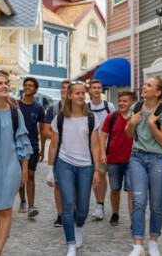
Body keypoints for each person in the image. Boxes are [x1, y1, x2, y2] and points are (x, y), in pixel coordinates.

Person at [0, 72, 32, 256]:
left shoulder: (15, 113)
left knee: (5, 209)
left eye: (6, 83)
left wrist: (24, 170)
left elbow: (23, 143)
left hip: (11, 166)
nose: (4, 86)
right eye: (0, 83)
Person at [47, 82, 101, 256]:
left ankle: (79, 226)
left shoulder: (92, 118)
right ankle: (70, 243)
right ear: (69, 96)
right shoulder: (60, 118)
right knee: (68, 204)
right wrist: (50, 169)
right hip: (65, 164)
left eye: (82, 93)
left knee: (83, 207)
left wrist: (97, 170)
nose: (80, 96)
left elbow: (95, 146)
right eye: (77, 93)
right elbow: (54, 145)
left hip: (86, 166)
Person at [124, 78, 162, 256]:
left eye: (149, 85)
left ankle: (153, 242)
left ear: (158, 92)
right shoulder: (135, 108)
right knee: (138, 201)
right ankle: (138, 245)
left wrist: (152, 123)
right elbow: (129, 133)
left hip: (158, 160)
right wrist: (132, 122)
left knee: (156, 204)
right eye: (144, 84)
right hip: (137, 158)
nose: (144, 87)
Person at [99, 91, 136, 226]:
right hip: (113, 160)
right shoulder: (111, 117)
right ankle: (115, 213)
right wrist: (103, 154)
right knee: (115, 189)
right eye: (120, 100)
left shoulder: (136, 118)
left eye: (125, 101)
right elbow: (102, 136)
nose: (121, 103)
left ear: (132, 103)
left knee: (131, 190)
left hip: (132, 161)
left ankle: (134, 221)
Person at [42, 79, 71, 227]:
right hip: (58, 151)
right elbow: (46, 131)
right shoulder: (53, 109)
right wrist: (59, 136)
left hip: (75, 151)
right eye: (63, 88)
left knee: (75, 185)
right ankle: (60, 214)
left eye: (68, 88)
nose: (65, 90)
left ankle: (72, 211)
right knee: (59, 185)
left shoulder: (81, 109)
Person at [17, 77, 46, 217]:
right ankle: (22, 200)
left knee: (30, 174)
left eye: (30, 85)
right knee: (19, 175)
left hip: (33, 145)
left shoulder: (39, 107)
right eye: (26, 85)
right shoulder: (16, 105)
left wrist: (43, 149)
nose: (27, 87)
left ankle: (31, 206)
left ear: (35, 89)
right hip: (17, 145)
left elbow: (42, 128)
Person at [87, 79, 116, 220]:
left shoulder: (108, 106)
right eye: (94, 88)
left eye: (99, 87)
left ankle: (100, 203)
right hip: (89, 147)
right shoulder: (85, 107)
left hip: (106, 146)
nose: (97, 90)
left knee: (102, 173)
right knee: (95, 174)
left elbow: (115, 124)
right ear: (90, 90)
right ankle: (99, 204)